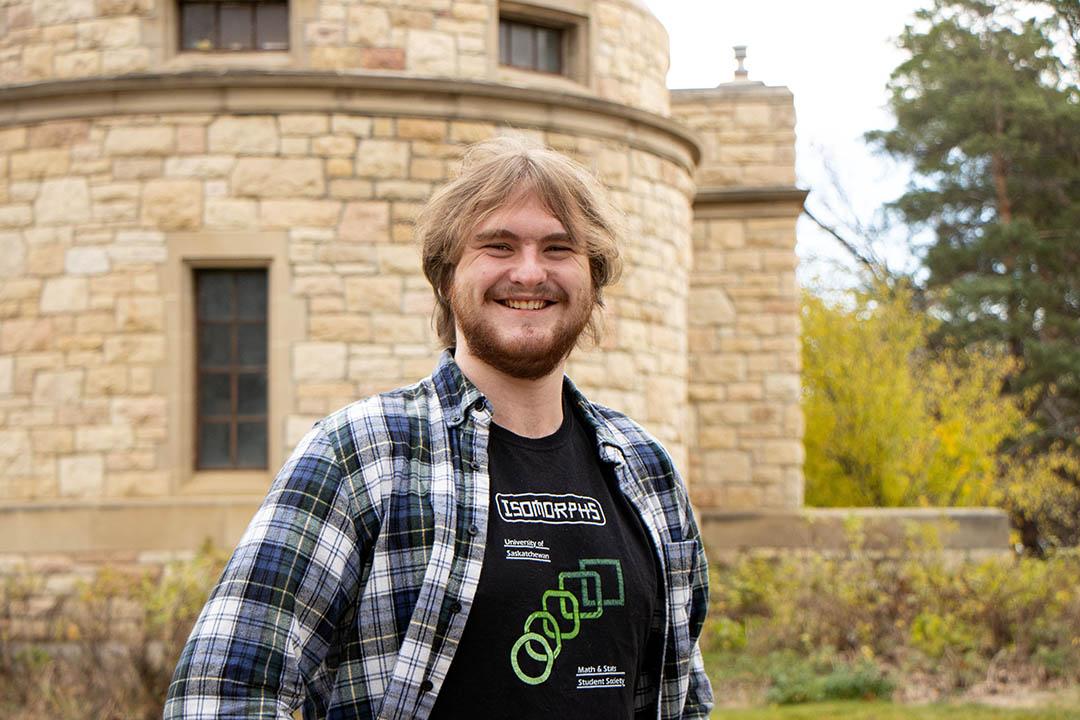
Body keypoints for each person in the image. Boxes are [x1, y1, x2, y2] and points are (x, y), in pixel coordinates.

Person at [164, 135, 713, 719]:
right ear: (447, 277)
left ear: (593, 280)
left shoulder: (645, 469)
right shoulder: (362, 453)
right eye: (498, 246)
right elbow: (219, 696)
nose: (529, 272)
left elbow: (682, 701)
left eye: (559, 249)